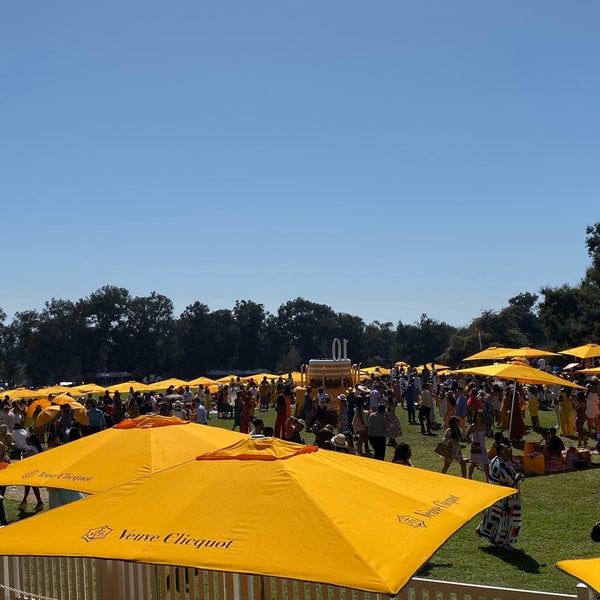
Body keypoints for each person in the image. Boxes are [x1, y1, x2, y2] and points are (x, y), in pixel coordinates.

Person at [476, 442, 524, 550]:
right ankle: (504, 542)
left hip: (498, 496)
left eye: (508, 449)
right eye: (505, 450)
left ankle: (496, 539)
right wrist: (518, 476)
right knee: (506, 520)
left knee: (496, 518)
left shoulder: (497, 460)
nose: (508, 452)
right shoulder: (500, 464)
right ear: (498, 452)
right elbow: (510, 482)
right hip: (505, 498)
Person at [19, 433, 45, 512]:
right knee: (28, 485)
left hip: (31, 470)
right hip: (36, 469)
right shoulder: (39, 448)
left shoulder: (31, 450)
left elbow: (27, 461)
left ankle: (38, 502)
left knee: (32, 486)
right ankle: (24, 501)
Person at [466, 411, 490, 482]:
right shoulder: (473, 426)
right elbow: (467, 436)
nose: (480, 418)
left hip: (483, 446)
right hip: (475, 446)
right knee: (474, 463)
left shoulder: (484, 425)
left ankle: (487, 480)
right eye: (478, 416)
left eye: (481, 416)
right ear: (475, 417)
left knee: (486, 463)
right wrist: (472, 443)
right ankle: (470, 477)